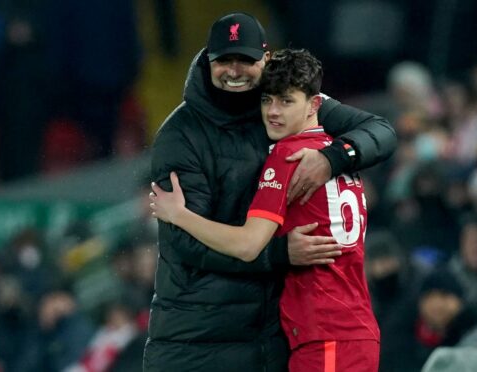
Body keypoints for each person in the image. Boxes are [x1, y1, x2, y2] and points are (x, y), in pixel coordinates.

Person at [144, 12, 396, 372]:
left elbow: (381, 131)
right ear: (207, 59)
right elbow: (185, 243)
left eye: (245, 60)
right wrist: (278, 253)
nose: (234, 71)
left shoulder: (287, 127)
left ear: (265, 58)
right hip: (200, 336)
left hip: (292, 333)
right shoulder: (180, 135)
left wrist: (332, 159)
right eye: (224, 61)